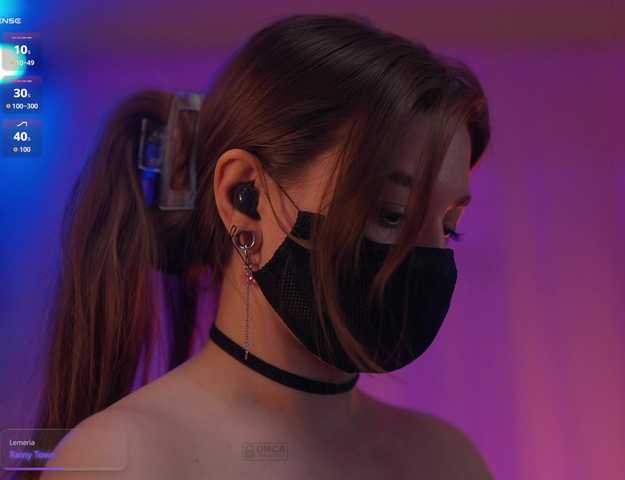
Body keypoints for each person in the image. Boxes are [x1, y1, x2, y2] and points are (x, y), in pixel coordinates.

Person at [30, 13, 492, 480]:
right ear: (244, 198)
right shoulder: (125, 460)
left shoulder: (449, 461)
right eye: (392, 214)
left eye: (449, 227)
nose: (429, 256)